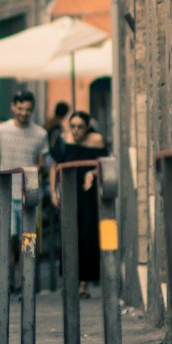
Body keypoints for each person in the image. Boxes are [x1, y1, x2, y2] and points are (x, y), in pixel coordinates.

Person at [0, 88, 49, 289]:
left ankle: (26, 281)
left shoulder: (41, 134)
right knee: (8, 240)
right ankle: (9, 281)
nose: (24, 113)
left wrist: (35, 170)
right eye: (20, 108)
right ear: (13, 107)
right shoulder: (0, 131)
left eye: (28, 110)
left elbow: (42, 163)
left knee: (28, 240)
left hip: (28, 193)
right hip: (5, 193)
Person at [50, 110, 106, 297]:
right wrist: (53, 192)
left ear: (87, 127)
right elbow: (54, 167)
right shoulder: (63, 140)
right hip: (68, 193)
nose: (75, 130)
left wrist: (92, 173)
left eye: (80, 127)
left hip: (87, 195)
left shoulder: (96, 140)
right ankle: (70, 280)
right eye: (72, 126)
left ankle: (84, 283)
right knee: (68, 234)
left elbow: (103, 164)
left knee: (87, 236)